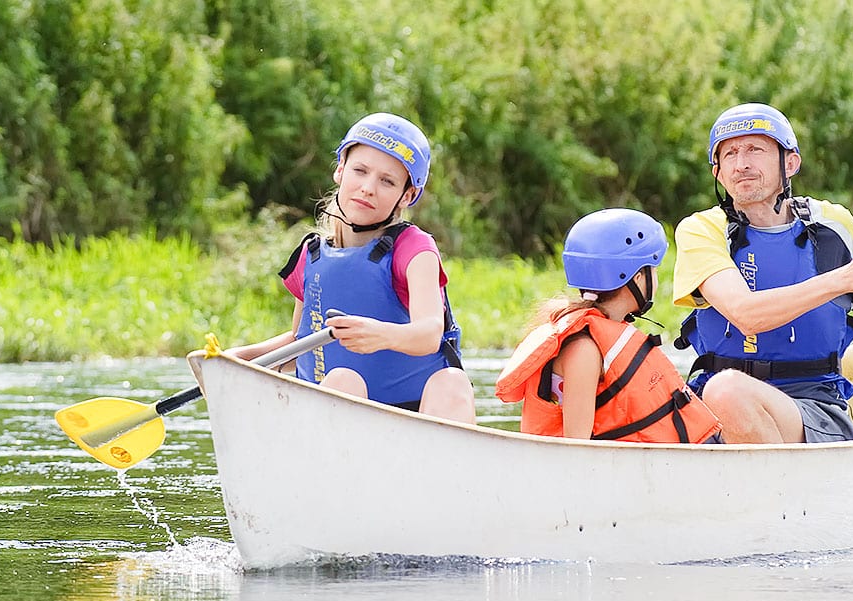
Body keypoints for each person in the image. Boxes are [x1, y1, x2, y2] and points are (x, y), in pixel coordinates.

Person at [670, 102, 853, 463]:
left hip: (815, 406)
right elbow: (746, 315)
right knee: (723, 391)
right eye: (729, 154)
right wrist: (841, 279)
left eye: (754, 150)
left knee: (727, 391)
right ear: (718, 172)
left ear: (789, 163)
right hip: (717, 407)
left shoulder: (832, 226)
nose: (741, 163)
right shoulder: (701, 230)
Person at [227, 112, 476, 423]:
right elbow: (299, 342)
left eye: (387, 181)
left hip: (415, 420)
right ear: (340, 171)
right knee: (343, 379)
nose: (368, 188)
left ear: (407, 195)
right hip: (338, 418)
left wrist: (381, 336)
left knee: (451, 382)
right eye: (360, 171)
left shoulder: (415, 249)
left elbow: (429, 333)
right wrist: (234, 361)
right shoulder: (311, 255)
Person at [495, 208, 722, 443]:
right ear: (636, 277)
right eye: (652, 269)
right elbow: (576, 447)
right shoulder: (584, 349)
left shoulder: (598, 334)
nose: (655, 278)